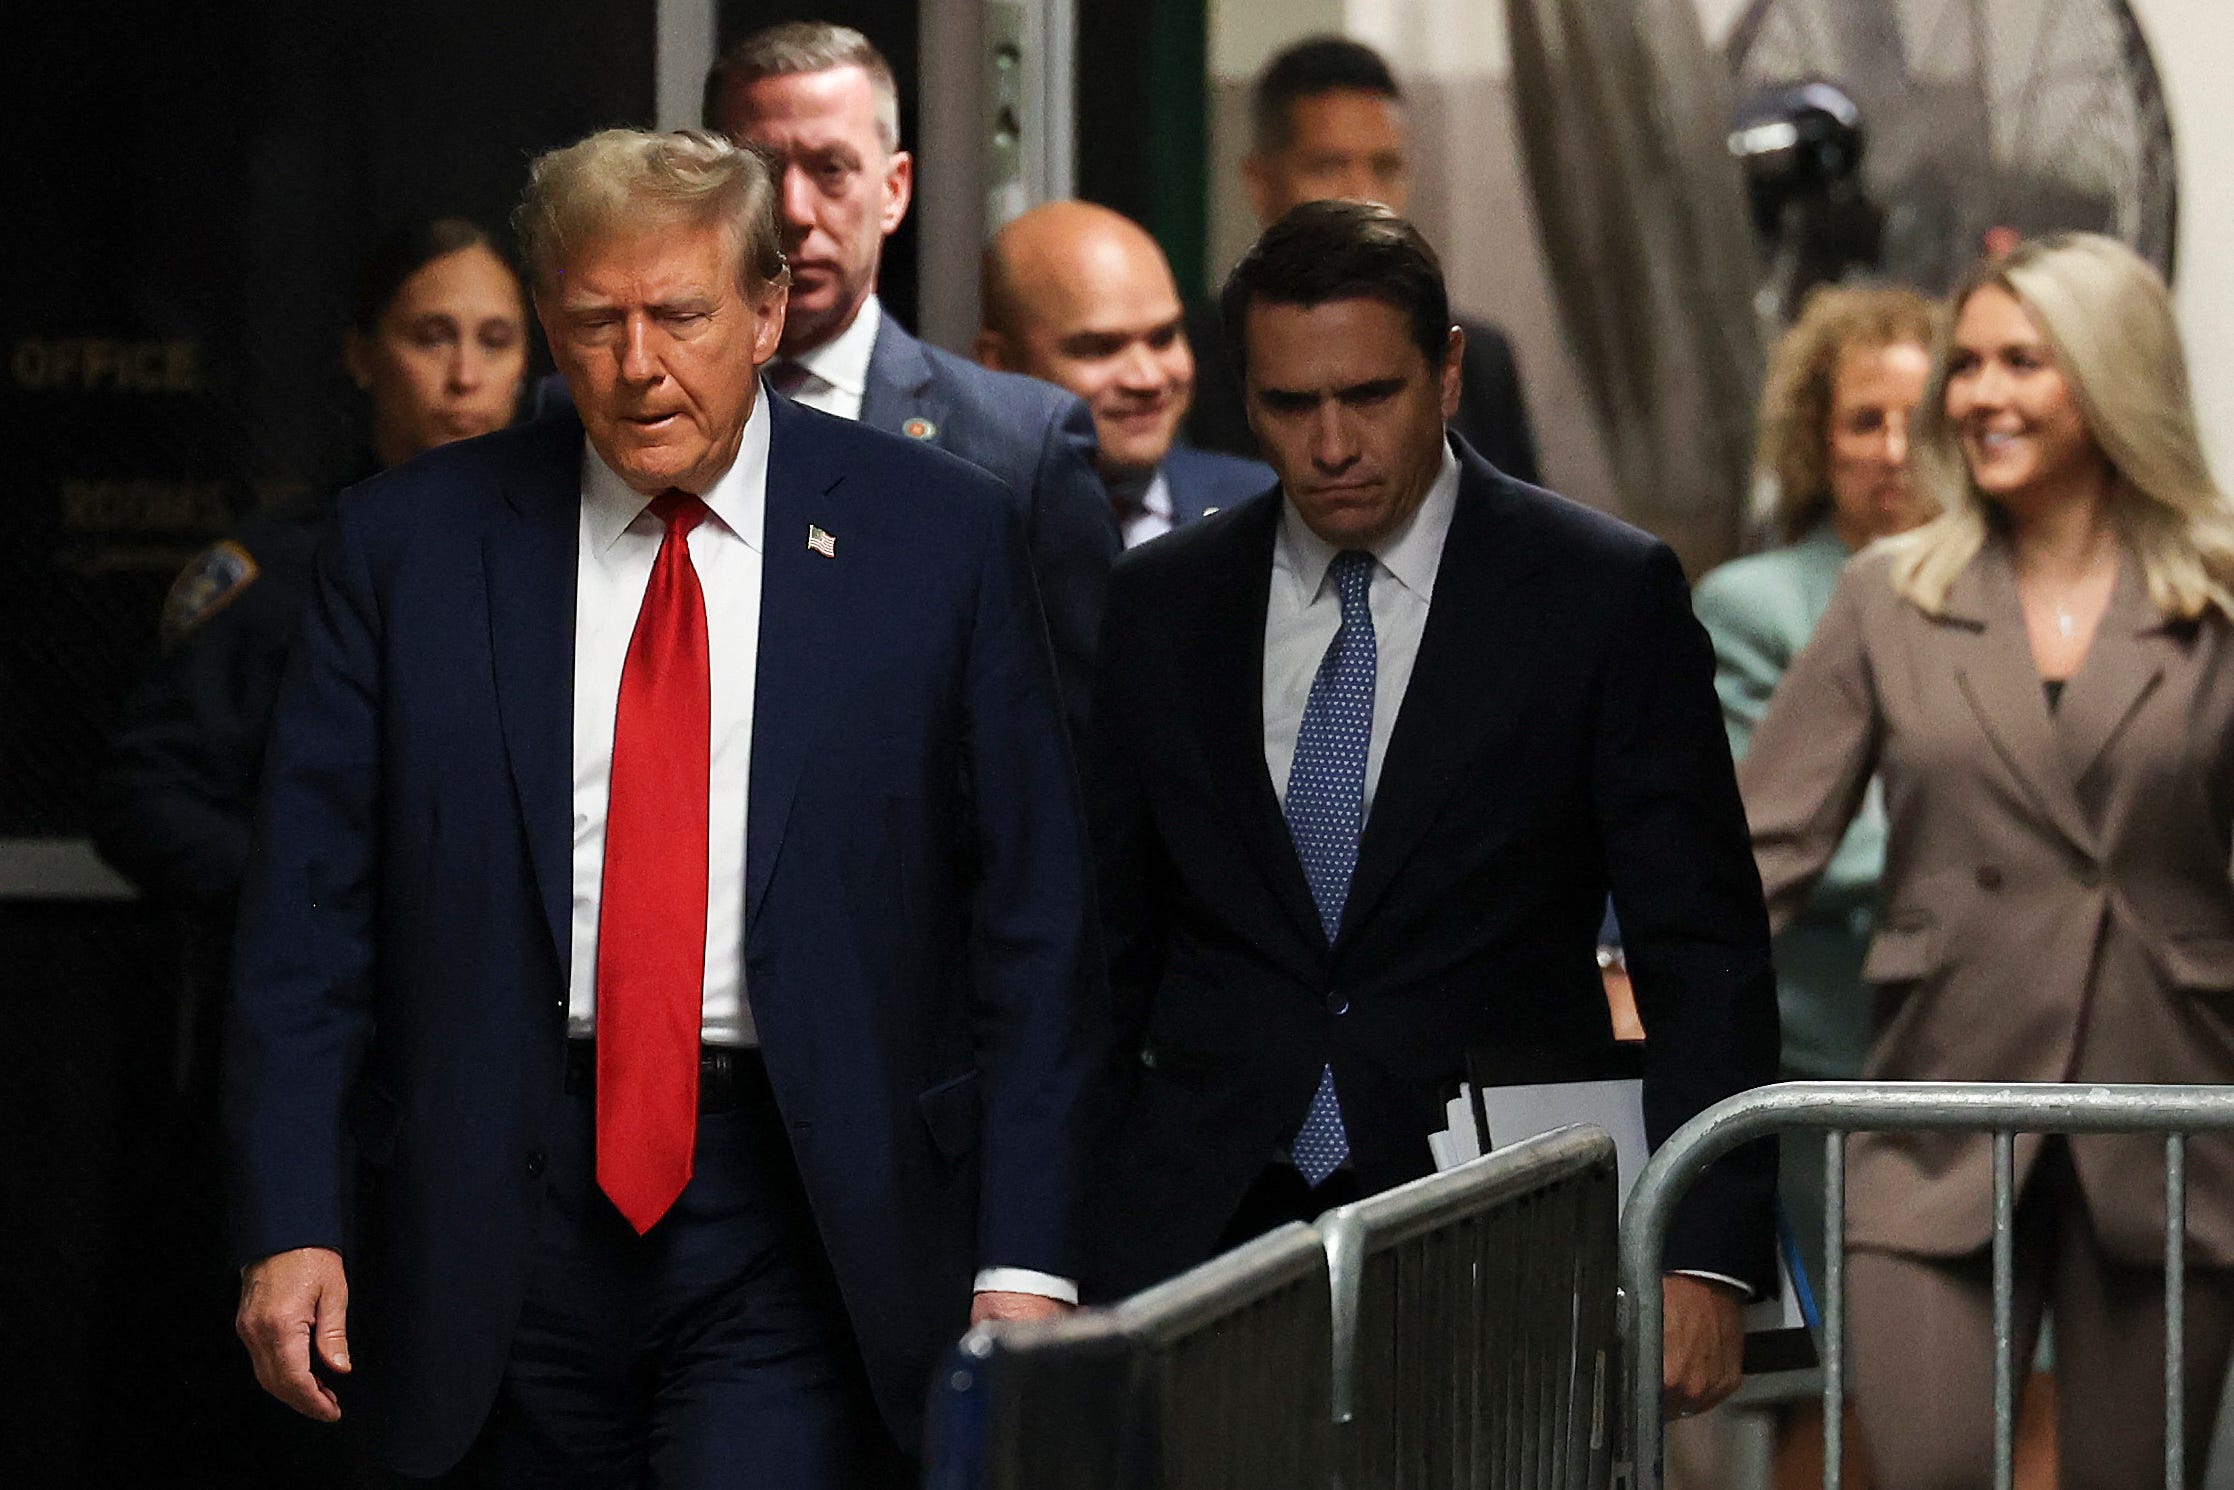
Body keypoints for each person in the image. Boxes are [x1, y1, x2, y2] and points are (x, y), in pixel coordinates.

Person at [225, 129, 1101, 1488]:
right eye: (593, 322)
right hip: (482, 1189)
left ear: (763, 314)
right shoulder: (410, 548)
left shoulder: (934, 539)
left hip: (799, 1200)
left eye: (680, 316)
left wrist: (1025, 1250)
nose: (637, 365)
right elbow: (306, 921)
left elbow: (1034, 928)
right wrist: (291, 1216)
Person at [1086, 200, 1777, 1418]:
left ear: (1447, 370)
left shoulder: (1598, 595)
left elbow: (1700, 943)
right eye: (1290, 405)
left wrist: (1703, 1245)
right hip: (1199, 1217)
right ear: (1244, 399)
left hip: (1489, 1208)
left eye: (1370, 394)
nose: (1333, 442)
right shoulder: (1164, 602)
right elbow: (1101, 949)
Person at [1738, 232, 2234, 1486]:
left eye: (2022, 360)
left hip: (2166, 1110)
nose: (1977, 395)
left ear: (2110, 375)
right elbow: (1759, 850)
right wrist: (1605, 996)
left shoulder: (2218, 598)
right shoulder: (1886, 594)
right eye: (1965, 364)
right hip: (1935, 1115)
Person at [703, 20, 1116, 737]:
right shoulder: (626, 417)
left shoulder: (1017, 448)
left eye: (831, 169)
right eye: (761, 172)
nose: (795, 213)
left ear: (894, 190)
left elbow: (1081, 753)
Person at [1183, 35, 1539, 484]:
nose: (1363, 196)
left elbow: (1526, 533)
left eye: (1385, 168)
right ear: (1261, 182)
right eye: (1328, 166)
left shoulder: (1476, 360)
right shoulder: (1193, 360)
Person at [974, 199, 1272, 546]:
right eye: (1101, 348)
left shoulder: (1267, 511)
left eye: (1163, 338)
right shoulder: (953, 526)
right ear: (999, 363)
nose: (1148, 379)